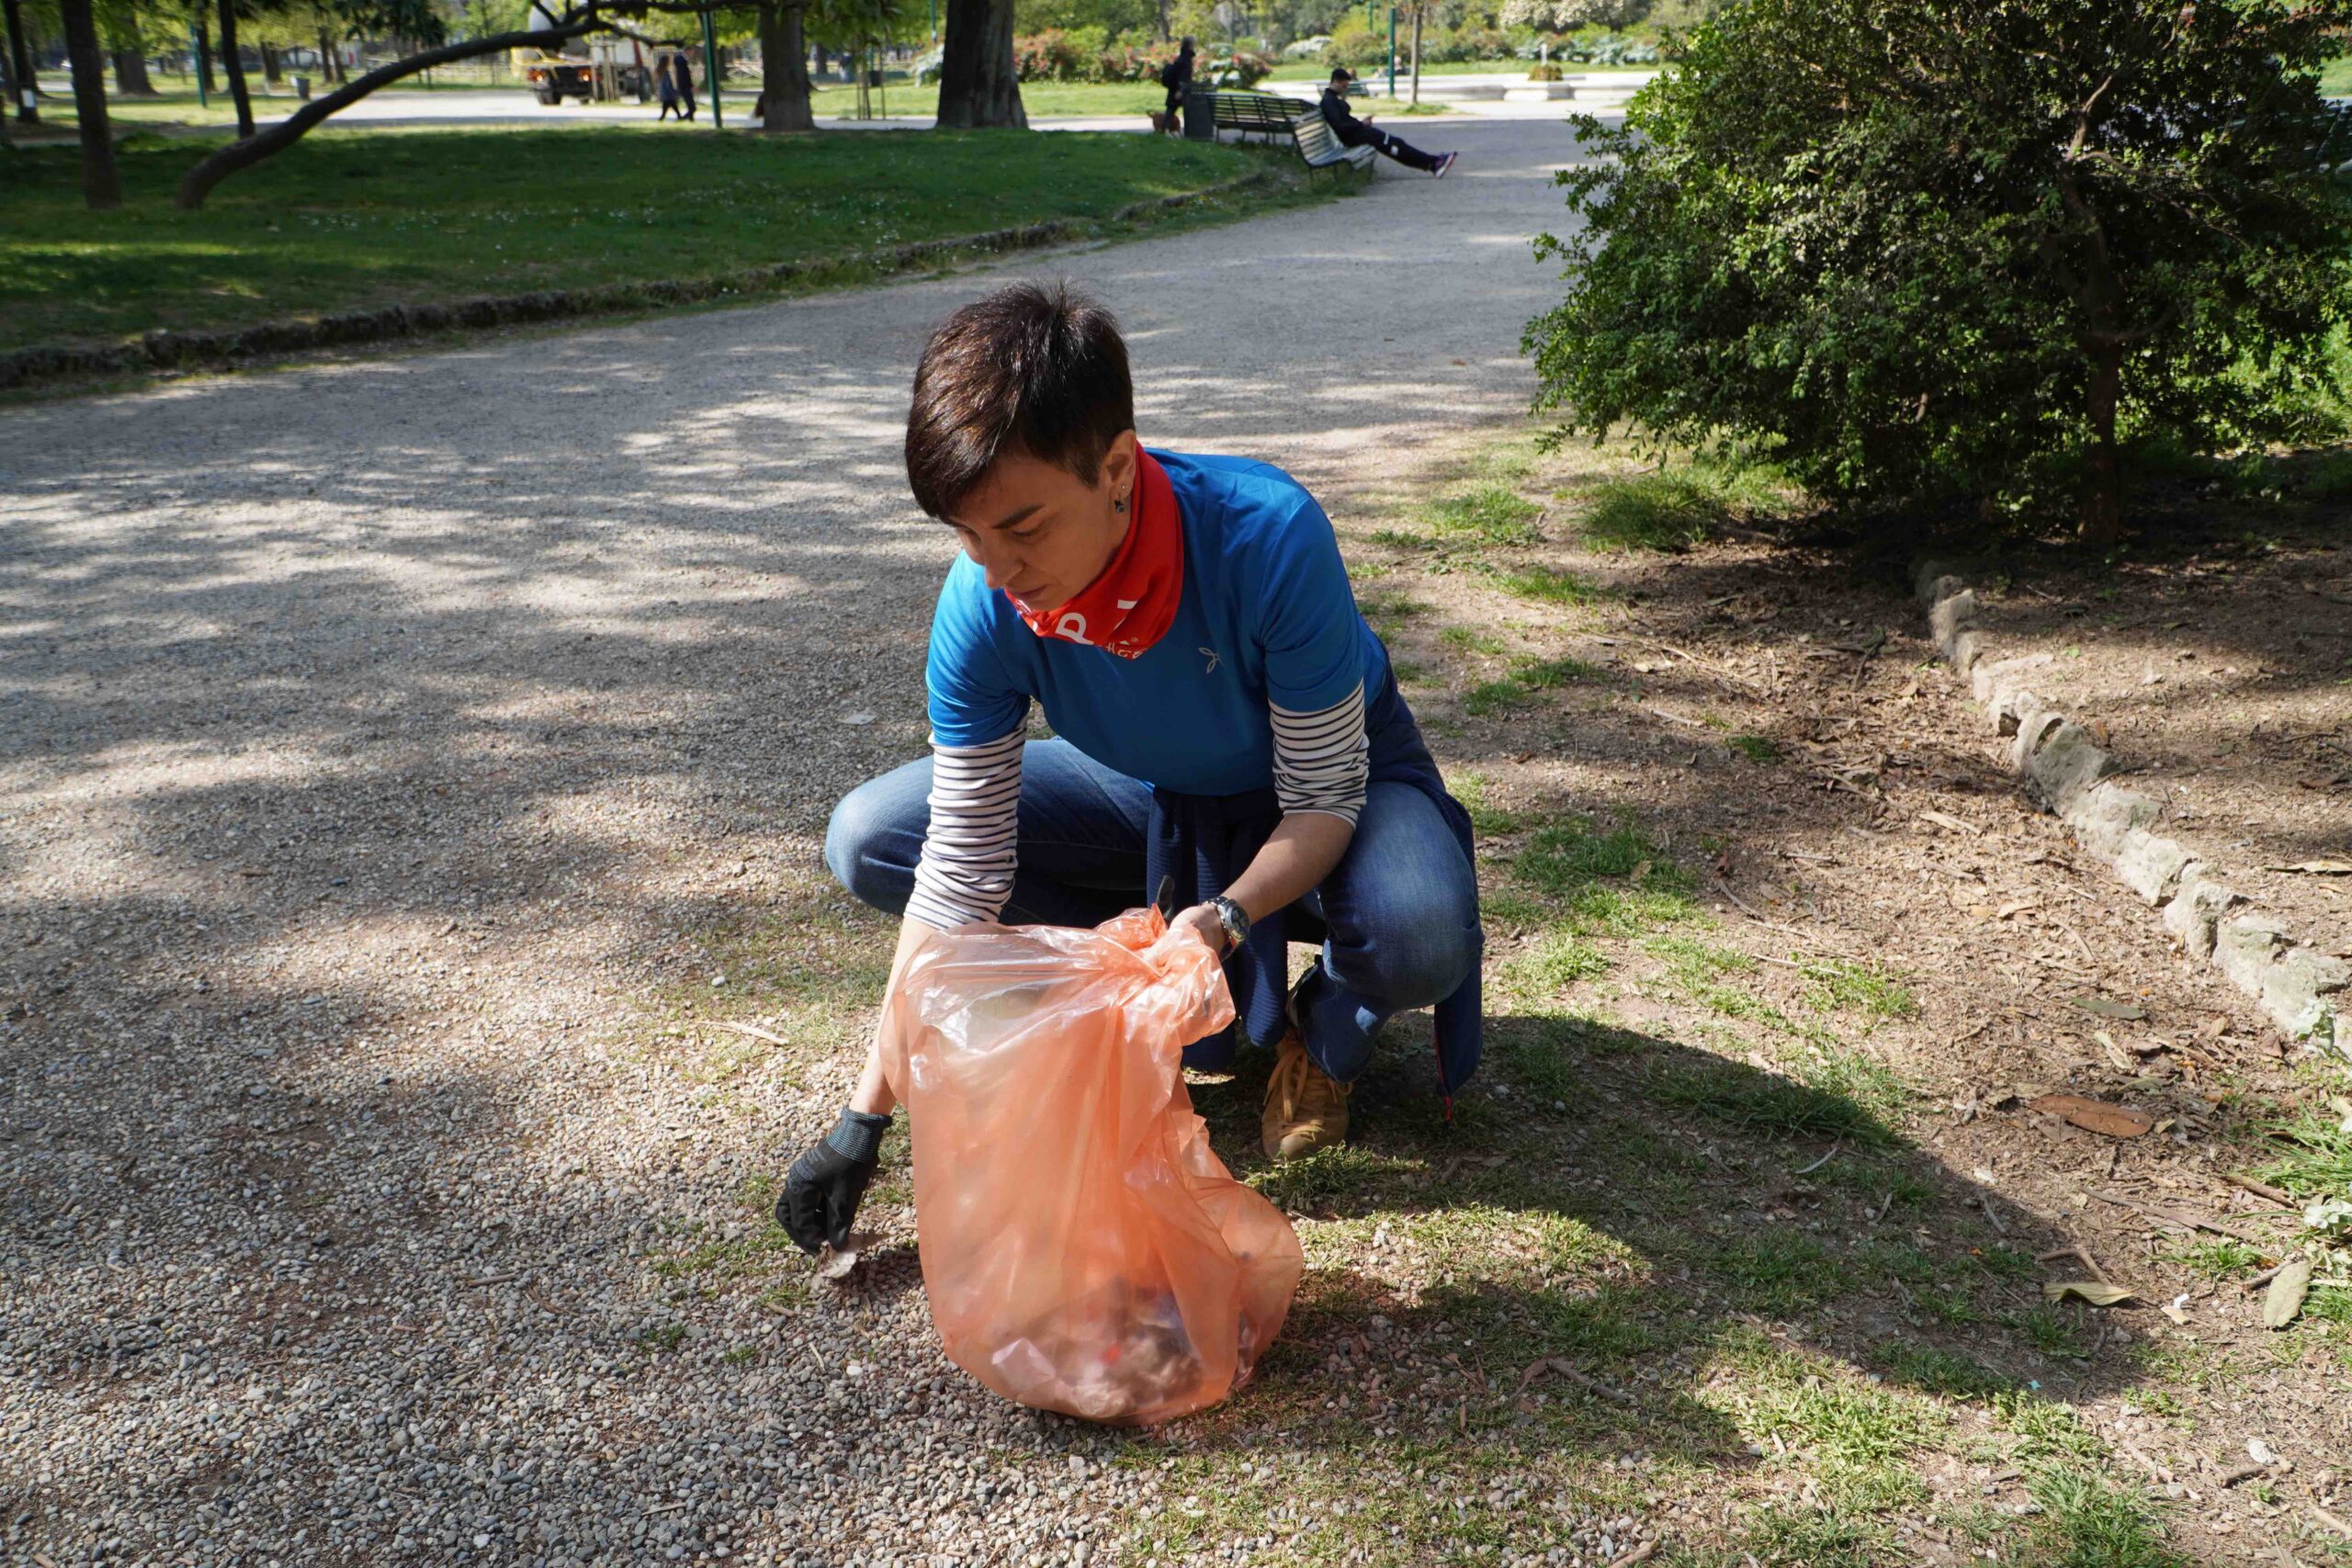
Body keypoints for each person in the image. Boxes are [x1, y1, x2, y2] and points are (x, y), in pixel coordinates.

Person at [778, 282, 1484, 1256]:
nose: (995, 570)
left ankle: (1317, 1031)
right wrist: (863, 1120)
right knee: (873, 838)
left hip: (1333, 788)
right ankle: (1109, 999)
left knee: (1421, 926)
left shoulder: (1267, 538)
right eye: (965, 535)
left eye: (1023, 528)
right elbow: (958, 875)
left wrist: (1225, 914)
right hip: (1155, 788)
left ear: (1115, 467)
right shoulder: (983, 600)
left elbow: (1323, 799)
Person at [1320, 67, 1457, 176]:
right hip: (1355, 137)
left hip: (1361, 134)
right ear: (1336, 81)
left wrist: (1362, 124)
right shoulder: (1328, 101)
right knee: (1395, 147)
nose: (1346, 87)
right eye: (1344, 85)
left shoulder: (1332, 99)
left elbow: (1344, 122)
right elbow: (1340, 126)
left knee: (1397, 144)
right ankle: (1433, 164)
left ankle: (1433, 163)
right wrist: (1362, 124)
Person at [1159, 37, 1195, 135]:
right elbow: (1183, 76)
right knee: (1179, 109)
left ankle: (1162, 130)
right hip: (1179, 89)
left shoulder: (1182, 57)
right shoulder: (1185, 59)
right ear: (1190, 45)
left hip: (1175, 88)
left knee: (1171, 109)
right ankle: (1190, 132)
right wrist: (1180, 90)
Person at [655, 52, 682, 119]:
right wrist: (673, 91)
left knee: (668, 104)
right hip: (668, 92)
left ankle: (663, 117)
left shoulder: (659, 70)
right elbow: (667, 83)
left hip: (663, 91)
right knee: (672, 104)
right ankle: (678, 116)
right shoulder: (665, 72)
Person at [672, 49, 696, 120]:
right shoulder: (682, 60)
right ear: (687, 51)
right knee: (692, 107)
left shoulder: (682, 60)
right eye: (691, 52)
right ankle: (682, 119)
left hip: (684, 86)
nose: (692, 54)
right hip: (684, 86)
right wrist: (691, 85)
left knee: (691, 106)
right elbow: (684, 75)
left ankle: (691, 120)